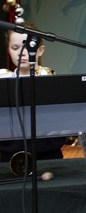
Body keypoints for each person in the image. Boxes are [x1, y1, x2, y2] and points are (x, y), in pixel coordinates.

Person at [0, 23, 64, 163]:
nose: (21, 52)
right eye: (15, 48)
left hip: (48, 155)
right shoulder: (2, 80)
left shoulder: (51, 79)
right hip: (7, 157)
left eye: (28, 47)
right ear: (8, 50)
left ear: (40, 50)